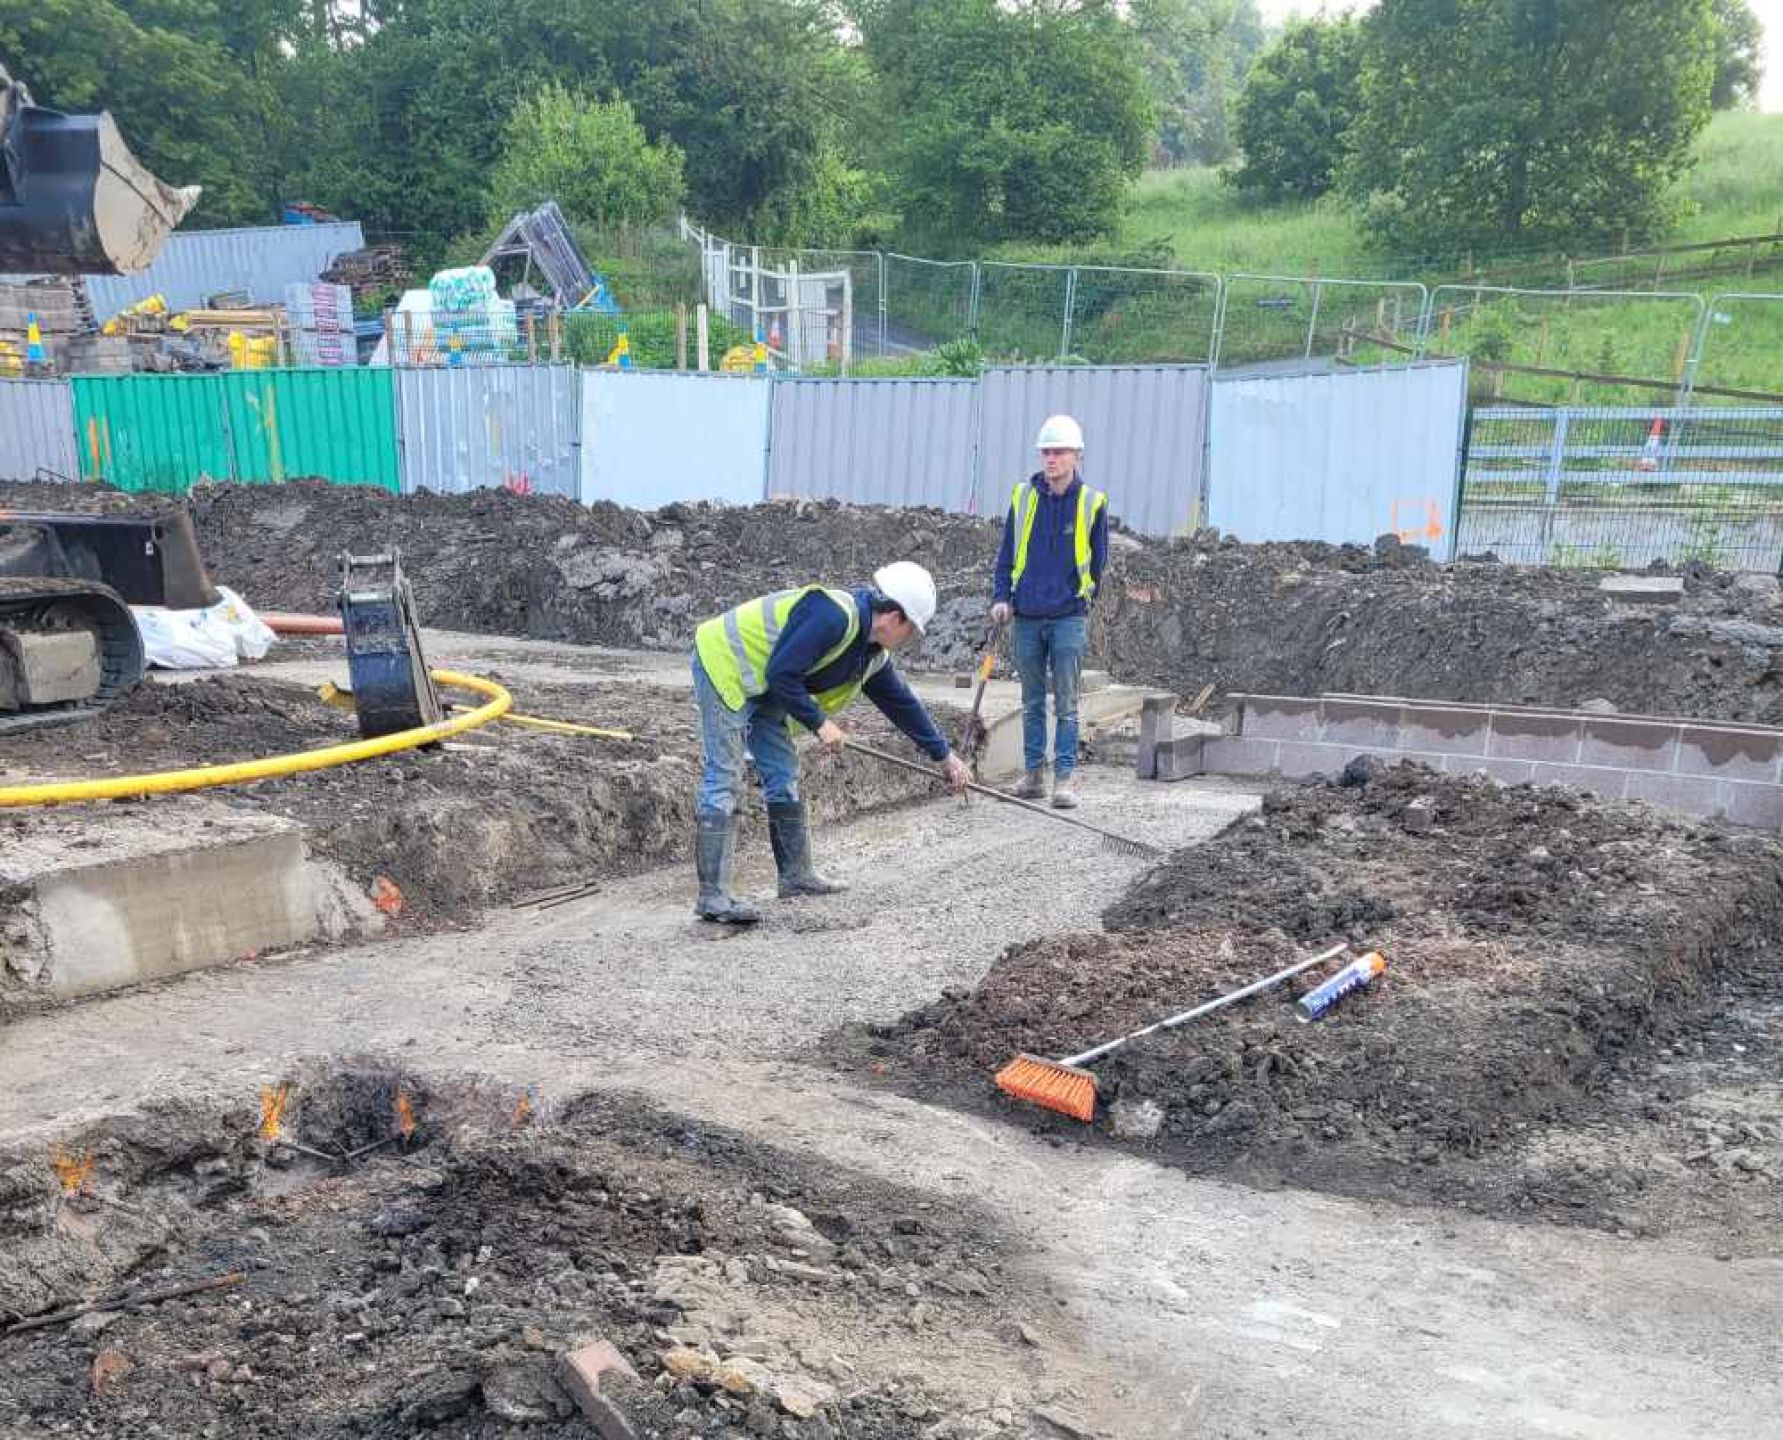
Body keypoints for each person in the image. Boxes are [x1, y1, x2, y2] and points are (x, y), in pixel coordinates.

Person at [689, 562, 973, 925]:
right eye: (911, 630)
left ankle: (795, 876)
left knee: (783, 771)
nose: (910, 639)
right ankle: (713, 897)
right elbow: (782, 674)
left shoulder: (870, 655)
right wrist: (820, 723)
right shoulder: (832, 615)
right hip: (725, 664)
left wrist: (945, 756)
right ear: (894, 617)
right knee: (725, 775)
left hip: (766, 682)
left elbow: (903, 705)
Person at [989, 414, 1109, 810]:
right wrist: (1002, 595)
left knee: (1068, 702)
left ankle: (1064, 778)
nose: (1051, 458)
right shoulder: (1024, 498)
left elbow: (1098, 564)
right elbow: (1006, 554)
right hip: (1026, 615)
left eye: (1059, 451)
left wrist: (1082, 596)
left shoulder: (1091, 503)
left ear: (1077, 455)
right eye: (1047, 452)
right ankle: (1034, 774)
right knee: (1032, 700)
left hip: (1068, 616)